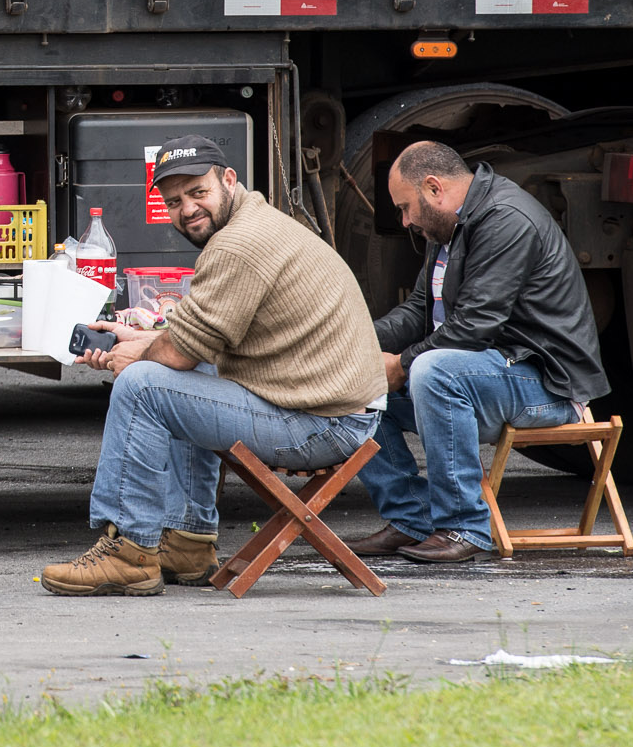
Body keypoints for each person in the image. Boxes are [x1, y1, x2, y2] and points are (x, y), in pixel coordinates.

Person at [37, 136, 386, 596]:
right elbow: (196, 341)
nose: (187, 209)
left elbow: (178, 353)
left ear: (227, 180)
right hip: (331, 410)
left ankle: (129, 553)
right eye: (175, 200)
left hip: (325, 425)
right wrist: (139, 339)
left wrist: (134, 356)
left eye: (198, 192)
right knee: (177, 374)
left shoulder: (239, 245)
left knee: (144, 384)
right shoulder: (254, 222)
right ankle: (187, 542)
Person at [349, 141, 610, 565]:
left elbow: (474, 327)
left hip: (546, 382)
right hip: (486, 373)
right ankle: (408, 520)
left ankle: (463, 526)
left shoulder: (506, 219)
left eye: (406, 207)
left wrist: (401, 365)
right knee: (352, 381)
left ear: (434, 188)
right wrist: (352, 343)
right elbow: (419, 310)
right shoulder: (447, 225)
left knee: (434, 369)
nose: (405, 220)